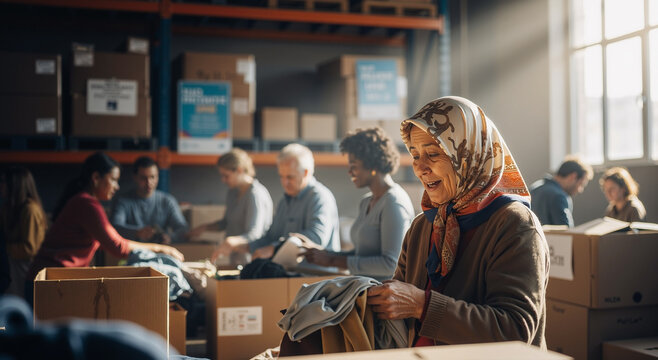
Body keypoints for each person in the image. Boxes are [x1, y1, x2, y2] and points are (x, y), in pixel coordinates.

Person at [365, 96, 549, 349]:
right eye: (415, 155)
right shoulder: (422, 226)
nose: (420, 168)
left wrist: (422, 305)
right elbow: (398, 308)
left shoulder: (514, 224)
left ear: (470, 155)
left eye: (432, 153)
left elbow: (515, 330)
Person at [27, 152, 183, 294]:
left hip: (53, 280)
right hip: (49, 283)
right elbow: (118, 247)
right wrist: (162, 249)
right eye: (113, 180)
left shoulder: (84, 202)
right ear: (96, 178)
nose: (117, 186)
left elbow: (108, 242)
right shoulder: (87, 205)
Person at [303, 127, 415, 281]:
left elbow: (391, 264)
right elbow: (360, 255)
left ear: (373, 165)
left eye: (354, 166)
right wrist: (323, 253)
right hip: (364, 289)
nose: (349, 172)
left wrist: (332, 261)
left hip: (385, 294)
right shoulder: (367, 201)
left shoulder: (393, 202)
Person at [213, 143, 340, 260]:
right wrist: (242, 245)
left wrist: (275, 248)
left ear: (306, 173)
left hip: (318, 278)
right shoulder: (284, 202)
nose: (284, 183)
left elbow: (315, 238)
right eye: (281, 176)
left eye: (290, 177)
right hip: (292, 274)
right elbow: (271, 238)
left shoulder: (320, 198)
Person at [186, 149, 273, 256]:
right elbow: (226, 222)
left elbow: (255, 234)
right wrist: (204, 228)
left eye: (226, 176)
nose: (223, 180)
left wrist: (232, 241)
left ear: (239, 170)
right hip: (235, 258)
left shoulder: (255, 195)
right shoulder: (232, 192)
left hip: (252, 257)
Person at [110, 156, 188, 244]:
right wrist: (137, 232)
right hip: (132, 251)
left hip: (161, 250)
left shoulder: (167, 201)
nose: (149, 182)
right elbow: (115, 227)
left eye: (152, 177)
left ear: (158, 176)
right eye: (143, 178)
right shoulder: (122, 201)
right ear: (135, 177)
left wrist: (170, 238)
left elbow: (182, 228)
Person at [0, 167, 47, 298]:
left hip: (25, 267)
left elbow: (30, 249)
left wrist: (4, 249)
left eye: (4, 182)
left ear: (15, 185)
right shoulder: (8, 208)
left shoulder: (30, 210)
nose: (1, 185)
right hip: (14, 265)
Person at [529, 156, 593, 227]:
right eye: (581, 184)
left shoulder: (534, 188)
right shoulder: (559, 196)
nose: (580, 190)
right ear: (573, 176)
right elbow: (566, 232)